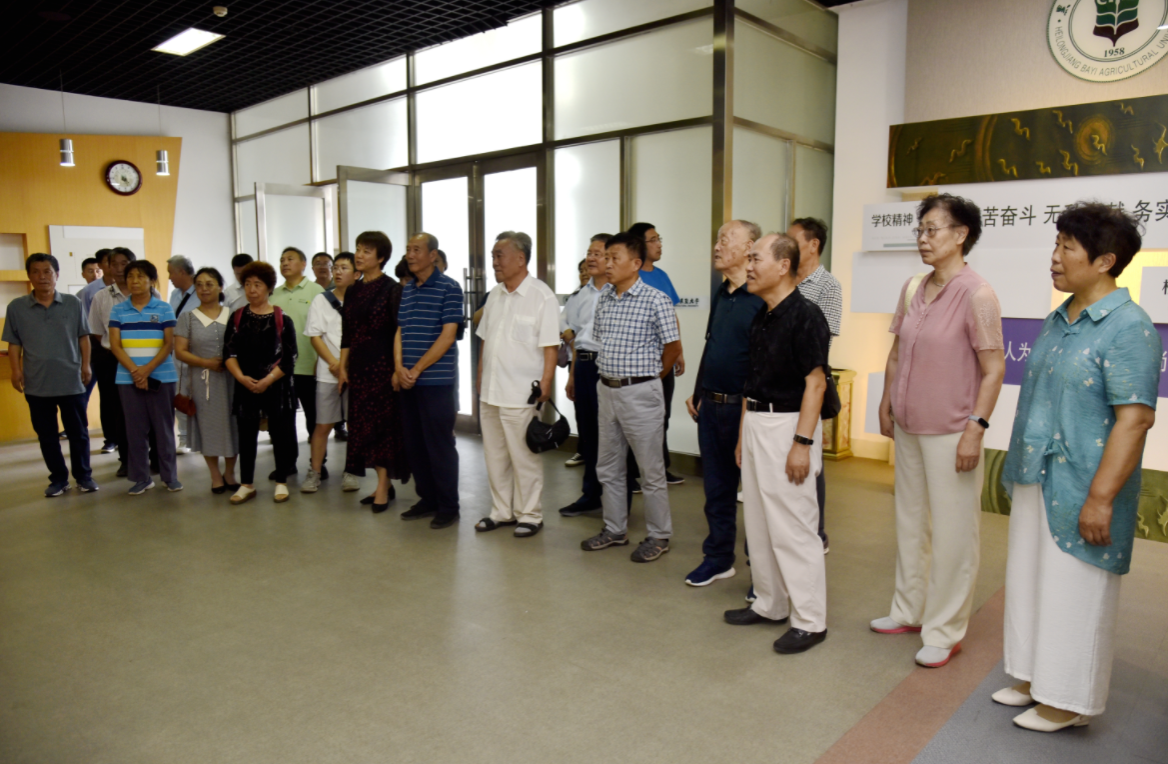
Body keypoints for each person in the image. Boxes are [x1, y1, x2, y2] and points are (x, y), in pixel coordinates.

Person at [996, 203, 1159, 732]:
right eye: (1056, 244)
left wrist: (1101, 498)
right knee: (1029, 580)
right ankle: (1031, 676)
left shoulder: (1129, 327)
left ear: (1106, 261)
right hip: (1036, 474)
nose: (1055, 256)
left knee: (1075, 591)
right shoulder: (1060, 317)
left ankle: (1068, 700)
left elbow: (1134, 420)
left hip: (1084, 482)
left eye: (1068, 247)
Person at [874, 194, 1005, 668]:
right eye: (921, 230)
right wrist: (886, 402)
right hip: (909, 425)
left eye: (933, 230)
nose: (924, 239)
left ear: (961, 234)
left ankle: (945, 630)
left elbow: (994, 369)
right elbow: (896, 353)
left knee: (954, 534)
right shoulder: (913, 287)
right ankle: (907, 610)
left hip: (951, 430)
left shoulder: (978, 294)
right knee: (910, 522)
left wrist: (975, 428)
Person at [722, 233, 832, 655]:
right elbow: (753, 381)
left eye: (755, 259)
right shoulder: (763, 315)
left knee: (794, 527)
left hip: (788, 425)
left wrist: (802, 443)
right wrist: (742, 435)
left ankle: (810, 621)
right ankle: (770, 603)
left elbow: (816, 384)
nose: (748, 266)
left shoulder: (806, 315)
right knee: (760, 523)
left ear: (784, 266)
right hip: (756, 423)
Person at [581, 232, 682, 561]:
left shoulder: (656, 299)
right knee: (608, 467)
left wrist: (649, 378)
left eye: (615, 258)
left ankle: (659, 535)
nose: (607, 263)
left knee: (650, 471)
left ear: (636, 263)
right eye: (606, 257)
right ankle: (615, 529)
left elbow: (673, 348)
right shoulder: (605, 299)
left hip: (640, 392)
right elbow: (600, 340)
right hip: (606, 389)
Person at [684, 220, 764, 586]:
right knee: (716, 489)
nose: (717, 246)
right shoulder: (721, 292)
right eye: (717, 239)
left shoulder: (761, 295)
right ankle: (717, 558)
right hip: (711, 406)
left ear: (749, 247)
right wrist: (699, 389)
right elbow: (711, 343)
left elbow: (762, 363)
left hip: (746, 410)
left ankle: (761, 574)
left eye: (725, 239)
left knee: (757, 495)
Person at [474, 231, 560, 538]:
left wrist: (546, 383)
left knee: (523, 456)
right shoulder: (495, 295)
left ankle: (530, 514)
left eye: (499, 256)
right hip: (491, 390)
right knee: (494, 454)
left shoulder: (541, 296)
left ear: (521, 259)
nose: (494, 262)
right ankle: (501, 511)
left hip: (522, 391)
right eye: (493, 256)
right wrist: (480, 374)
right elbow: (485, 339)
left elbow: (550, 346)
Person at [4, 253, 96, 496]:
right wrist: (16, 370)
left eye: (47, 271)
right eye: (36, 271)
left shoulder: (72, 303)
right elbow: (14, 343)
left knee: (78, 433)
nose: (42, 276)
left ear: (57, 275)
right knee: (47, 436)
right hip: (37, 382)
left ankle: (84, 477)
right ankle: (58, 479)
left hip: (71, 380)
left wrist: (86, 366)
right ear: (29, 276)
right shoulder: (16, 307)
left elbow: (83, 337)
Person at [337, 232, 410, 514]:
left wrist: (397, 368)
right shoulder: (352, 290)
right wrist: (343, 368)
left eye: (366, 251)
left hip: (382, 367)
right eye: (358, 249)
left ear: (381, 257)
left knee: (383, 428)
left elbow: (399, 332)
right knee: (363, 426)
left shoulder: (392, 289)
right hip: (359, 368)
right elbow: (347, 334)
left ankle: (382, 486)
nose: (359, 255)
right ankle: (384, 484)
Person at [395, 232, 464, 525]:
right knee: (415, 445)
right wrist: (399, 368)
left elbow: (448, 336)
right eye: (408, 249)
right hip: (408, 381)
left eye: (416, 249)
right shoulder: (408, 289)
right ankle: (427, 499)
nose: (410, 255)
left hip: (436, 382)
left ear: (432, 255)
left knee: (439, 445)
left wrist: (417, 369)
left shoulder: (450, 288)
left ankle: (448, 506)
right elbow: (400, 331)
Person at [788, 217, 843, 554]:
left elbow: (824, 340)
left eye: (793, 240)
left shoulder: (828, 285)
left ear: (813, 245)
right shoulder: (783, 278)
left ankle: (817, 532)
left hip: (808, 383)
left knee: (810, 459)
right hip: (777, 387)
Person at [224, 261, 299, 504]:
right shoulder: (237, 317)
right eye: (247, 284)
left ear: (269, 288)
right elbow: (228, 353)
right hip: (245, 385)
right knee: (246, 435)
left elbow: (290, 358)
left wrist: (267, 380)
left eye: (257, 284)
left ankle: (281, 482)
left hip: (276, 385)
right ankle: (246, 484)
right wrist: (241, 378)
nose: (252, 289)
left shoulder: (282, 318)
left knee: (280, 433)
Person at [108, 260, 181, 495]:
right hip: (127, 379)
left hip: (162, 378)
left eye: (141, 276)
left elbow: (168, 344)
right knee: (135, 431)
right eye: (130, 276)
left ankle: (170, 477)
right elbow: (115, 345)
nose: (135, 281)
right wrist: (136, 371)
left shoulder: (164, 308)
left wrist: (147, 369)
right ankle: (141, 478)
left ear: (151, 281)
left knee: (164, 429)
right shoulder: (118, 310)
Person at [89, 247, 158, 478]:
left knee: (152, 410)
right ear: (107, 267)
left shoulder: (153, 294)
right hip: (113, 360)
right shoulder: (101, 297)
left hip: (149, 360)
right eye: (114, 264)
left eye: (124, 263)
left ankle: (156, 458)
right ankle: (127, 460)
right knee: (120, 412)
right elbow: (97, 332)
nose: (119, 269)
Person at [628, 221, 685, 486]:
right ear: (639, 245)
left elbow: (672, 316)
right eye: (653, 240)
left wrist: (678, 350)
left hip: (664, 359)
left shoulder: (662, 276)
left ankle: (659, 469)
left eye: (659, 239)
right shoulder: (632, 276)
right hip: (639, 362)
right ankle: (633, 472)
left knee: (662, 415)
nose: (659, 244)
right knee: (636, 419)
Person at [559, 234, 612, 517]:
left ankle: (616, 498)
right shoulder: (581, 295)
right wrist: (572, 375)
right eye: (589, 253)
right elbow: (572, 333)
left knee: (612, 435)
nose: (590, 258)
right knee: (589, 434)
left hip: (609, 368)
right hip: (584, 366)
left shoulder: (618, 292)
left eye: (597, 253)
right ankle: (591, 494)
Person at [174, 267, 239, 494]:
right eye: (199, 284)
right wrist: (206, 362)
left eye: (209, 284)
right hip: (203, 382)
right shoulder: (187, 318)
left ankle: (230, 473)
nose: (204, 289)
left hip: (232, 380)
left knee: (233, 426)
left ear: (220, 287)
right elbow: (180, 351)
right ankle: (215, 475)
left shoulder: (233, 315)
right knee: (207, 427)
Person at [301, 252, 357, 493]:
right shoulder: (321, 300)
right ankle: (314, 472)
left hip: (356, 373)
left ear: (357, 273)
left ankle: (351, 471)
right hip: (328, 373)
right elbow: (314, 336)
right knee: (322, 425)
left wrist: (347, 366)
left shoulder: (363, 300)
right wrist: (335, 365)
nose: (338, 272)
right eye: (336, 268)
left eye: (344, 268)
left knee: (355, 426)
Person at [269, 247, 325, 480]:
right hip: (280, 369)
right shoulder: (274, 295)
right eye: (282, 260)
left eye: (290, 259)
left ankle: (318, 464)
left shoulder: (317, 291)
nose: (284, 263)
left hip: (310, 366)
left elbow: (325, 329)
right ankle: (287, 463)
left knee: (315, 419)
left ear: (303, 264)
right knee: (283, 420)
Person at [167, 255, 198, 454]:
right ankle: (185, 438)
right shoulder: (174, 295)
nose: (169, 277)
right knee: (180, 395)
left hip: (199, 352)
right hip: (178, 352)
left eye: (171, 272)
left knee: (202, 397)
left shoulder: (201, 291)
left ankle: (203, 436)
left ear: (182, 272)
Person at [79, 249, 113, 317]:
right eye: (90, 271)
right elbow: (85, 316)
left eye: (98, 271)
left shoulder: (123, 286)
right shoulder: (86, 291)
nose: (95, 275)